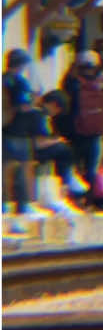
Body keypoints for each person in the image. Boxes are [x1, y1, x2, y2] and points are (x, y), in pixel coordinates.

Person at [62, 50, 103, 194]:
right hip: (96, 132)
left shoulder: (72, 81)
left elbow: (66, 102)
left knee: (73, 168)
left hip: (74, 131)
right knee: (92, 169)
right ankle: (89, 200)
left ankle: (75, 198)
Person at [2, 48, 36, 213]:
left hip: (5, 130)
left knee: (5, 170)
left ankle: (5, 204)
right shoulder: (20, 82)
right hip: (19, 131)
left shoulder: (3, 80)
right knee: (24, 169)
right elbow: (24, 105)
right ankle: (24, 205)